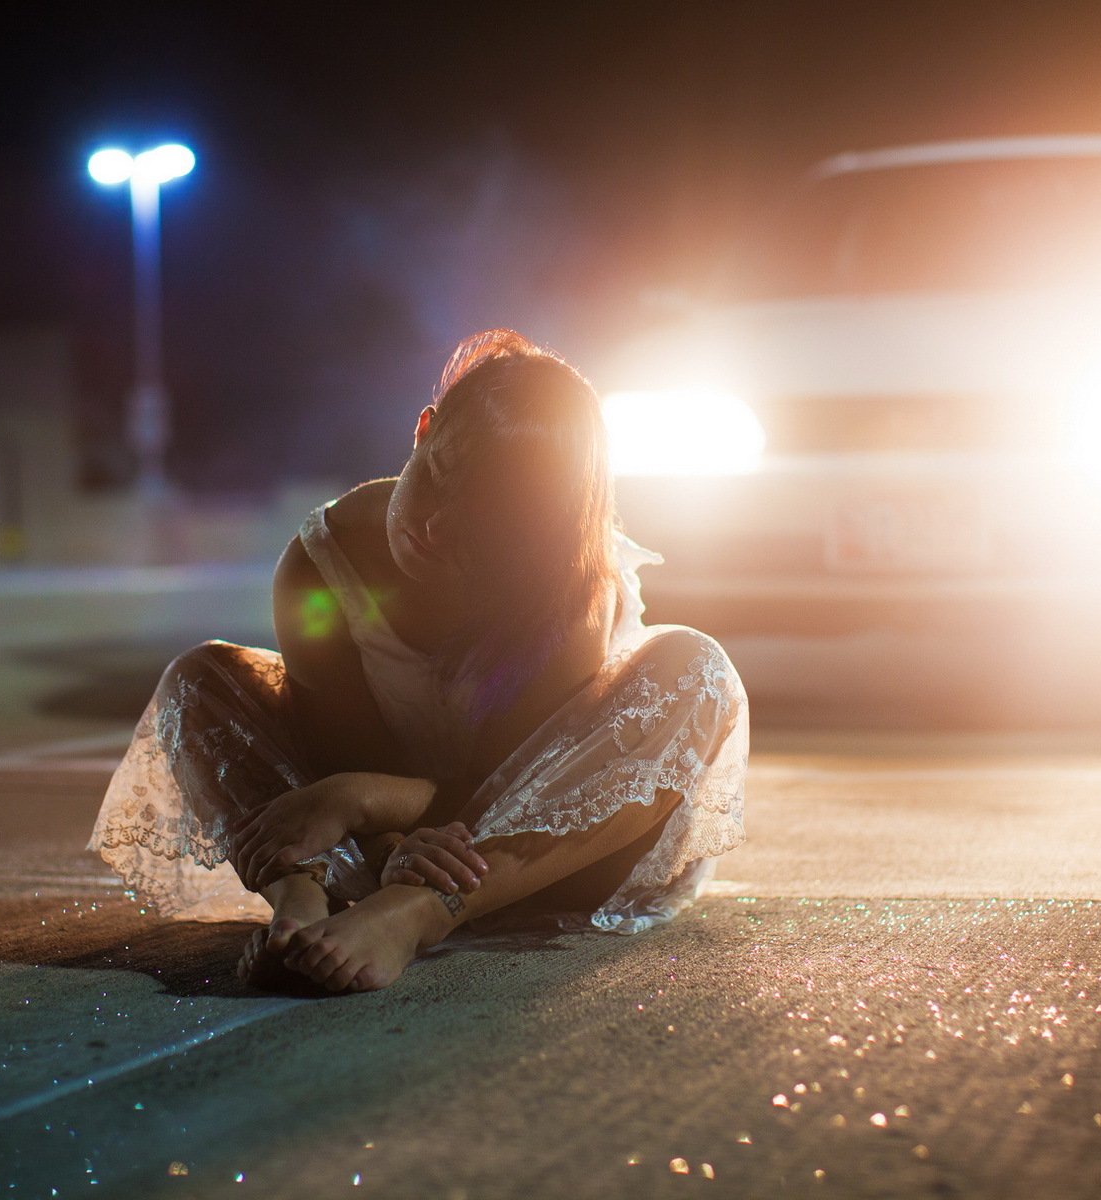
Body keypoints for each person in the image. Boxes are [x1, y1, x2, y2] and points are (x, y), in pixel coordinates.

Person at [88, 329, 748, 993]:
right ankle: (299, 899)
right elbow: (336, 753)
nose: (434, 526)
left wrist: (360, 802)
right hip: (375, 845)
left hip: (539, 858)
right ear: (423, 430)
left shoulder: (565, 587)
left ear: (531, 532)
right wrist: (372, 829)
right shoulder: (325, 560)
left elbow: (512, 789)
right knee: (200, 681)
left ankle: (414, 916)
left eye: (482, 518)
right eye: (437, 477)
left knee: (697, 670)